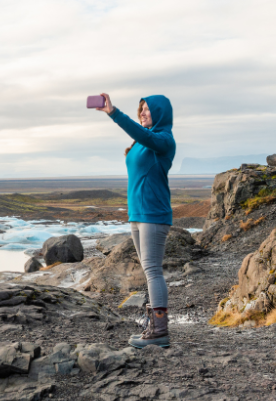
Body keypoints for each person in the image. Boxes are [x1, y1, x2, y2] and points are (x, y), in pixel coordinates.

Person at [95, 93, 175, 348]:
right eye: (140, 109)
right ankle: (154, 327)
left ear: (160, 113)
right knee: (148, 269)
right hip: (138, 215)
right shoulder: (142, 141)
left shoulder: (163, 139)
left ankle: (160, 331)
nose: (143, 113)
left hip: (153, 214)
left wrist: (114, 113)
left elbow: (145, 136)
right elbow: (140, 139)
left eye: (148, 110)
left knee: (152, 270)